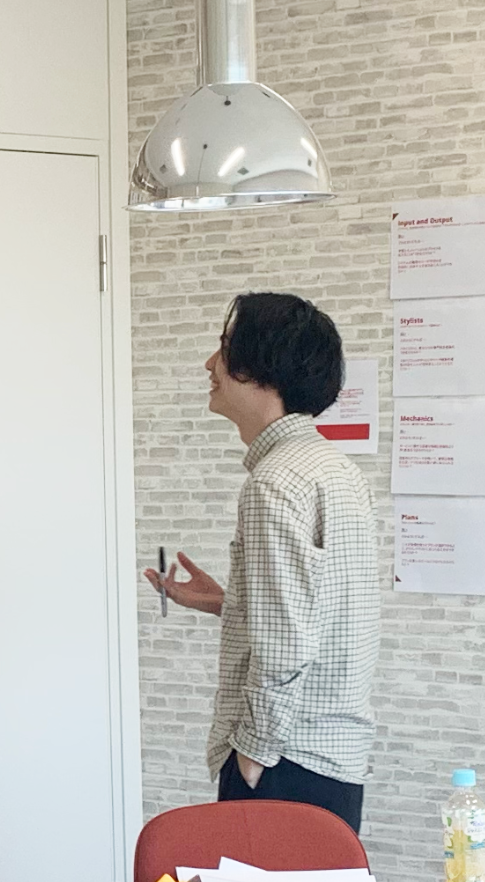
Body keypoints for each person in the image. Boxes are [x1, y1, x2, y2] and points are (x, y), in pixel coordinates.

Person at [145, 293, 379, 831]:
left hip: (282, 761)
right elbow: (322, 612)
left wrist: (252, 751)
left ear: (263, 369)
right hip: (332, 757)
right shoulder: (335, 468)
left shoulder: (274, 482)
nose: (210, 365)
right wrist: (229, 603)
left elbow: (288, 642)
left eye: (225, 349)